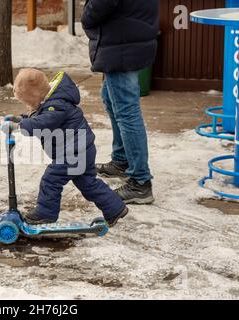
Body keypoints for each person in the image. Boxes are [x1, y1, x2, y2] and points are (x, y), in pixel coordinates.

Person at [4, 68, 128, 227]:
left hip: (73, 153)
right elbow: (40, 115)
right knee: (88, 184)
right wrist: (20, 119)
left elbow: (43, 122)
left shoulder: (57, 105)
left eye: (27, 102)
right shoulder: (53, 100)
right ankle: (115, 209)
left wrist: (19, 126)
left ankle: (45, 213)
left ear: (36, 96)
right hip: (82, 150)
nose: (28, 106)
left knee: (51, 179)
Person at [81, 0, 159, 204]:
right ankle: (122, 160)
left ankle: (140, 182)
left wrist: (86, 16)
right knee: (110, 98)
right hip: (128, 38)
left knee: (127, 112)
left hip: (121, 43)